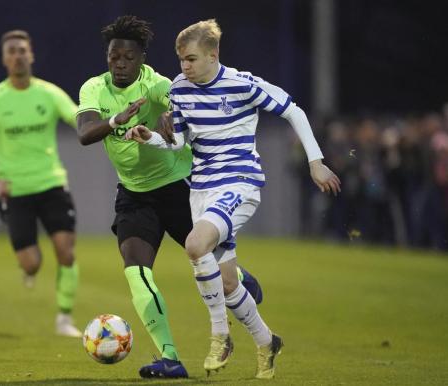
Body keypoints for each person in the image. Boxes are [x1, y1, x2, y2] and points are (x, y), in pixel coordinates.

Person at [126, 19, 341, 379]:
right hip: (202, 189)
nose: (185, 67)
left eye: (192, 59)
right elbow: (179, 142)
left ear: (214, 54)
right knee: (227, 283)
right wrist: (149, 138)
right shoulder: (179, 89)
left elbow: (294, 111)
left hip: (239, 183)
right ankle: (267, 340)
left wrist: (315, 163)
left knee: (195, 245)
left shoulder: (242, 84)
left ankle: (220, 334)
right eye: (181, 60)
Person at [76, 15, 264, 379]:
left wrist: (169, 116)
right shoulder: (94, 88)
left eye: (127, 57)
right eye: (113, 56)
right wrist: (116, 120)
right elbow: (85, 133)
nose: (119, 63)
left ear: (141, 58)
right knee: (136, 273)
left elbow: (175, 103)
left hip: (179, 189)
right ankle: (170, 358)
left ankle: (239, 279)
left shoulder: (158, 83)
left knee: (207, 258)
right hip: (133, 195)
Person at [0, 30, 82, 338]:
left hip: (51, 183)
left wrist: (107, 122)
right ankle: (28, 270)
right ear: (5, 60)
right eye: (12, 51)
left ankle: (64, 318)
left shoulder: (49, 93)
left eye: (22, 50)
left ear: (31, 55)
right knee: (32, 263)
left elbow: (77, 118)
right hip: (15, 191)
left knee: (66, 252)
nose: (18, 55)